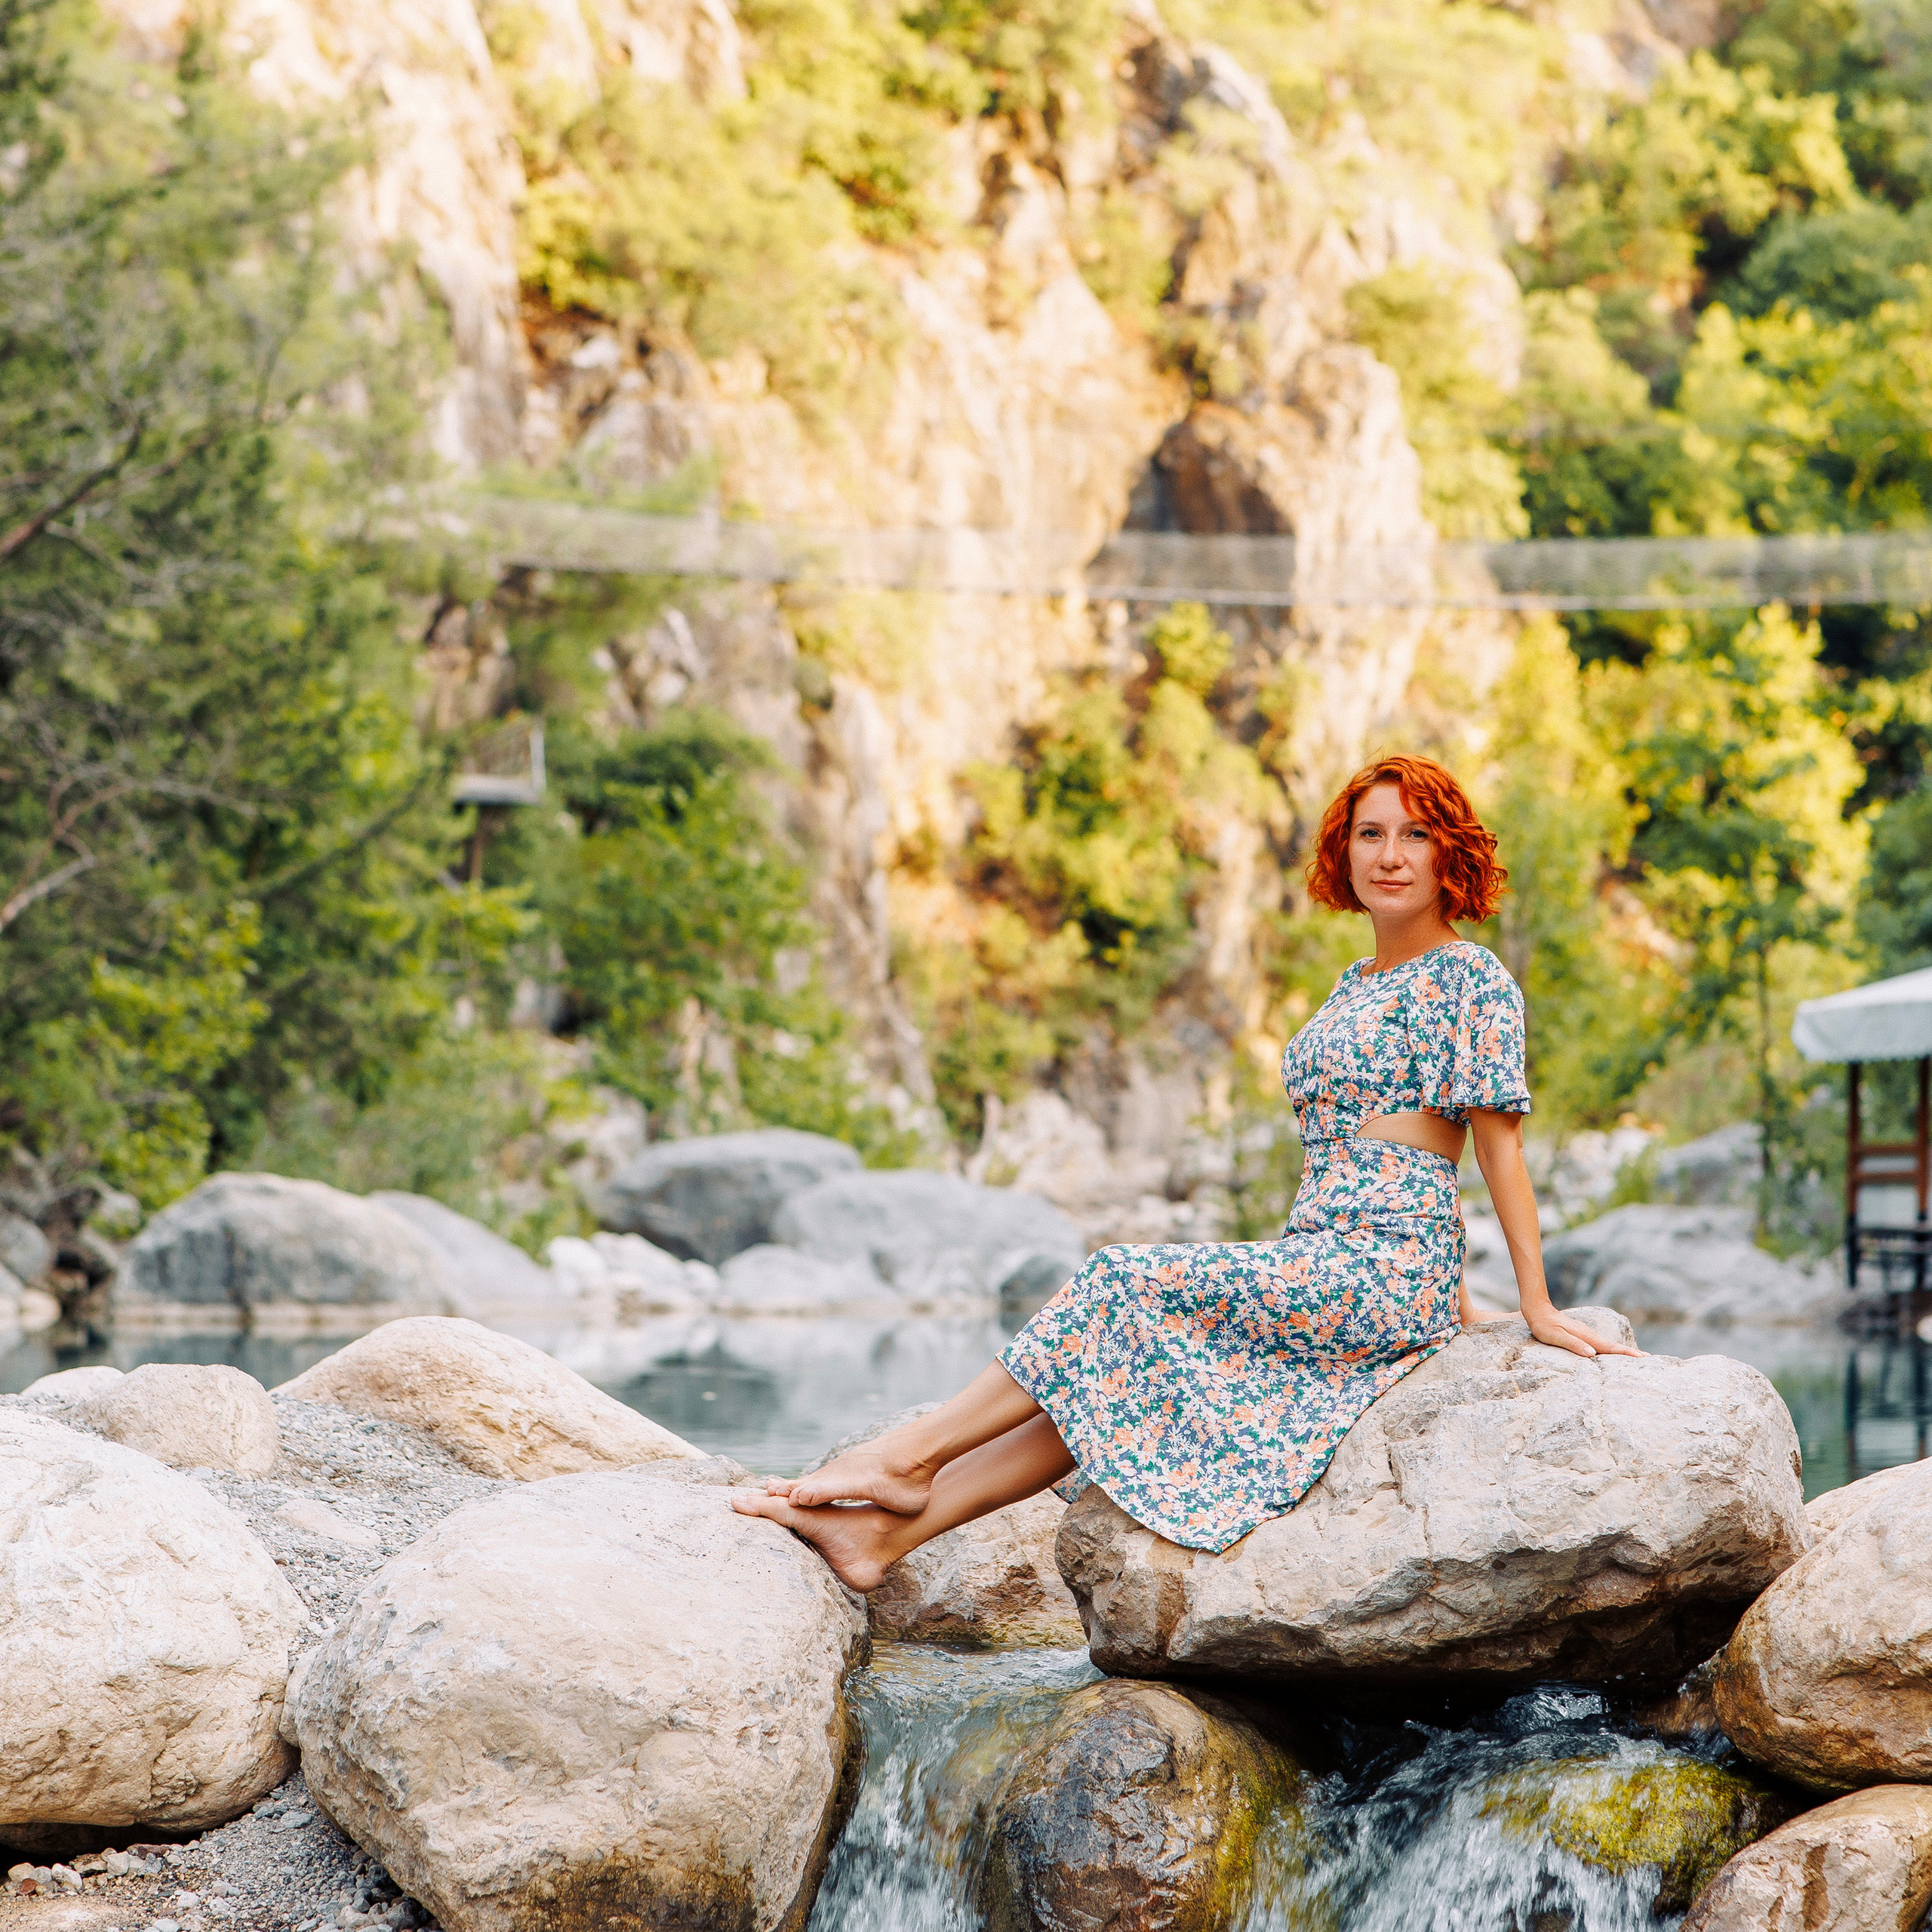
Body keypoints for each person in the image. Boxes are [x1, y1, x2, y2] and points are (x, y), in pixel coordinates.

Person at [730, 752, 1641, 1589]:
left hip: (1381, 1271)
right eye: (1370, 832)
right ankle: (881, 1539)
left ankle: (906, 1456)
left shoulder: (1470, 978)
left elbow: (1496, 1148)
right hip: (1320, 1256)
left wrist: (1533, 1306)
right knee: (1107, 1372)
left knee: (1119, 1275)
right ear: (1344, 849)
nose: (1390, 855)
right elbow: (1351, 1147)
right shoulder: (1353, 983)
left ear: (1450, 854)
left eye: (1415, 834)